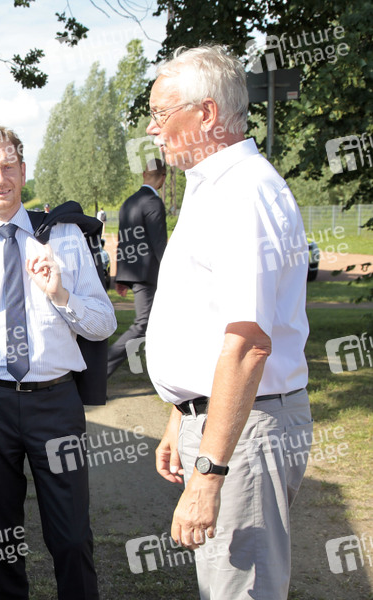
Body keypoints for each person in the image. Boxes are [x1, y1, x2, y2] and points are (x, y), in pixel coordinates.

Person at [145, 46, 312, 600]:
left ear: (207, 114)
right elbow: (208, 321)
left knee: (242, 590)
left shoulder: (243, 192)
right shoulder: (216, 187)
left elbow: (247, 343)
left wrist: (210, 473)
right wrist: (182, 413)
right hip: (228, 421)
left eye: (161, 114)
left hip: (245, 430)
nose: (152, 129)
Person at [0, 126, 116, 599]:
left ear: (23, 170)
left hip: (55, 403)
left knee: (72, 537)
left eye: (8, 166)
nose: (0, 178)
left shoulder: (65, 237)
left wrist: (61, 293)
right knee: (2, 542)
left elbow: (103, 324)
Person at [106, 158, 167, 378]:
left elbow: (122, 241)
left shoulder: (128, 202)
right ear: (163, 178)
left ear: (143, 174)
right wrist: (172, 274)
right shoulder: (153, 202)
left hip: (132, 272)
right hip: (149, 275)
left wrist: (121, 277)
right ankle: (101, 370)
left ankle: (163, 370)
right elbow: (159, 244)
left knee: (156, 323)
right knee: (142, 324)